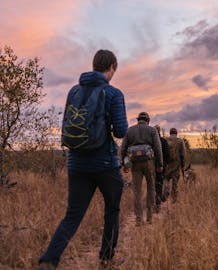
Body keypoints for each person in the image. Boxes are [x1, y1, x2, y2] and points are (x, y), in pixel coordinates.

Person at [38, 50, 128, 270]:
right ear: (112, 67)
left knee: (72, 215)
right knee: (112, 210)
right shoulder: (114, 93)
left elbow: (69, 122)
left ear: (94, 65)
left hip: (76, 163)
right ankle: (106, 259)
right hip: (105, 164)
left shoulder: (74, 90)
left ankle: (49, 260)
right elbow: (120, 132)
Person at [120, 112, 163, 226]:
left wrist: (124, 164)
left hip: (135, 164)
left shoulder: (130, 130)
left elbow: (123, 148)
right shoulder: (152, 130)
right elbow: (158, 148)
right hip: (149, 163)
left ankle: (139, 219)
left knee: (137, 191)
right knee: (151, 189)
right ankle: (149, 218)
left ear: (138, 119)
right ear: (147, 120)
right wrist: (160, 164)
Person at [163, 128, 186, 203]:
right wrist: (183, 165)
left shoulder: (165, 140)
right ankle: (174, 200)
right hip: (176, 165)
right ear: (176, 133)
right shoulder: (180, 141)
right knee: (175, 183)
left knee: (166, 179)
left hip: (166, 165)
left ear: (170, 133)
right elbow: (183, 154)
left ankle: (166, 189)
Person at [154, 125, 169, 212]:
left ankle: (153, 201)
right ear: (159, 131)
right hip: (161, 166)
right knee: (159, 183)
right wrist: (165, 164)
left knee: (152, 183)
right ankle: (158, 202)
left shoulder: (150, 141)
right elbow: (167, 154)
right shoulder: (163, 140)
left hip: (151, 166)